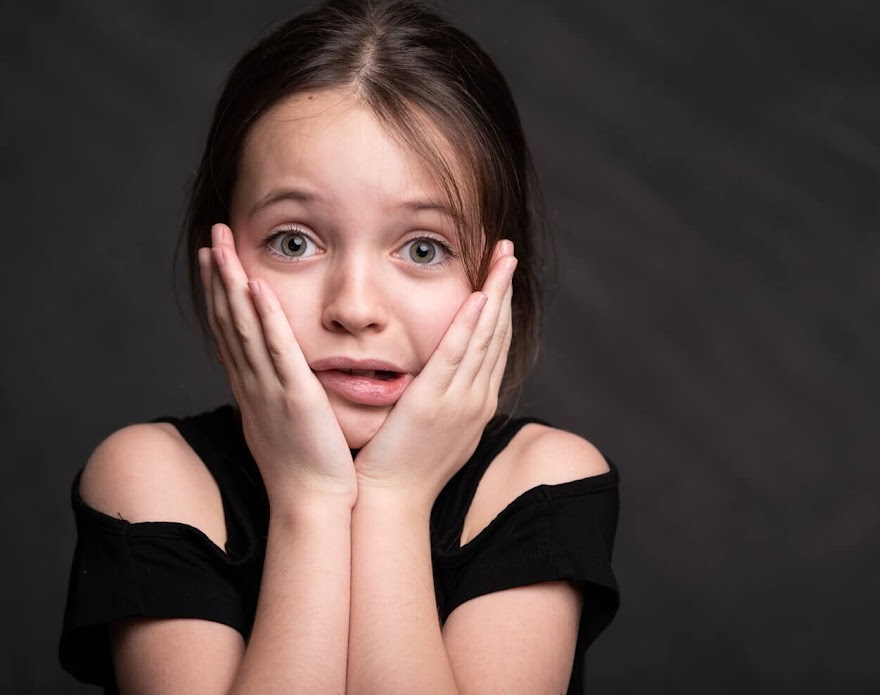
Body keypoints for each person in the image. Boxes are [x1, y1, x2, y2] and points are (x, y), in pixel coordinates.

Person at [59, 1, 620, 692]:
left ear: (502, 277)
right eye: (294, 241)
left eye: (423, 247)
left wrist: (393, 500)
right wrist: (311, 499)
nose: (354, 308)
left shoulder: (539, 482)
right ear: (221, 260)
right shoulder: (154, 478)